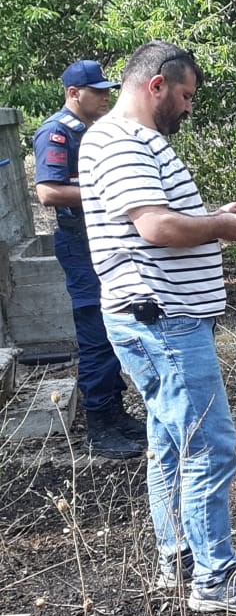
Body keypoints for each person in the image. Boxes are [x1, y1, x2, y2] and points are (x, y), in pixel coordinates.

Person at [78, 40, 236, 613]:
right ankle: (216, 579)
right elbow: (157, 228)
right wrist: (218, 227)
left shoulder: (127, 142)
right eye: (186, 95)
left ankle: (181, 557)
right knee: (209, 447)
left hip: (153, 316)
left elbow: (159, 218)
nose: (189, 108)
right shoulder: (122, 142)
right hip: (162, 318)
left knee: (171, 443)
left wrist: (217, 216)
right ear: (157, 85)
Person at [32, 60, 146, 459]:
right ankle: (100, 427)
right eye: (97, 90)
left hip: (101, 241)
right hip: (79, 245)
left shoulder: (92, 132)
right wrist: (108, 190)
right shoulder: (57, 132)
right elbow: (48, 191)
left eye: (107, 89)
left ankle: (116, 414)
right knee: (97, 332)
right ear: (72, 93)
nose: (105, 96)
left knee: (115, 327)